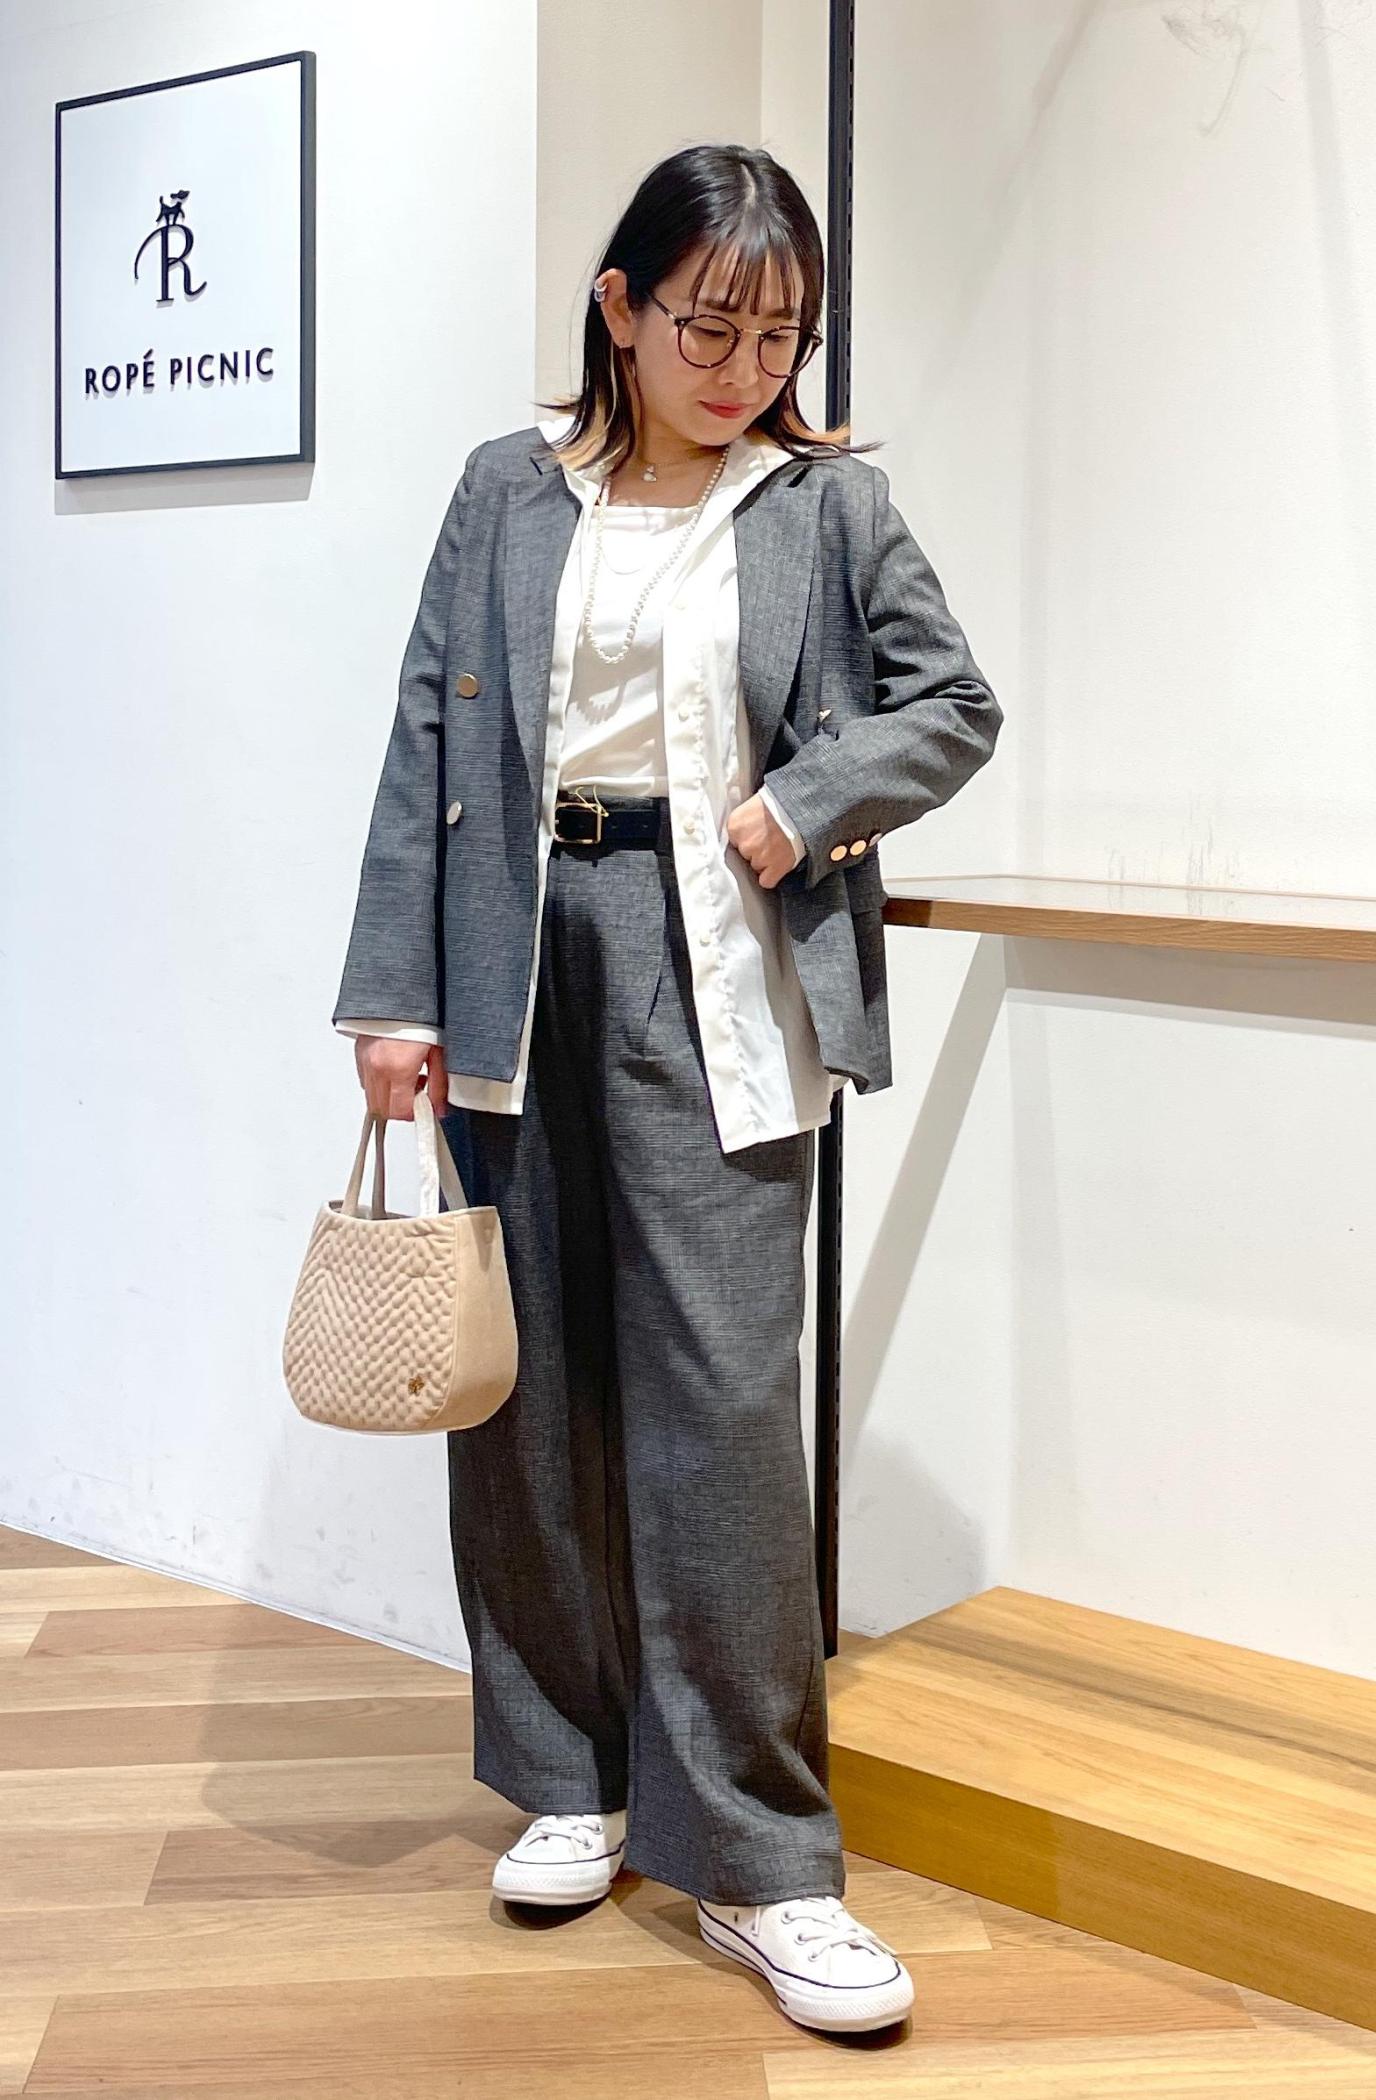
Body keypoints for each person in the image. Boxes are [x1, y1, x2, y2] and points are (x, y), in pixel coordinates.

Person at [331, 142, 1002, 2037]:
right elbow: (424, 731)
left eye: (779, 334)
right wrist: (392, 991)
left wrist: (806, 802)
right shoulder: (505, 488)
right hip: (514, 951)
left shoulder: (827, 505)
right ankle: (571, 1776)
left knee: (720, 1411)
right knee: (529, 1389)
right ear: (618, 308)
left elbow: (951, 703)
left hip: (716, 953)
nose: (744, 368)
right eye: (711, 326)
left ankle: (766, 1865)